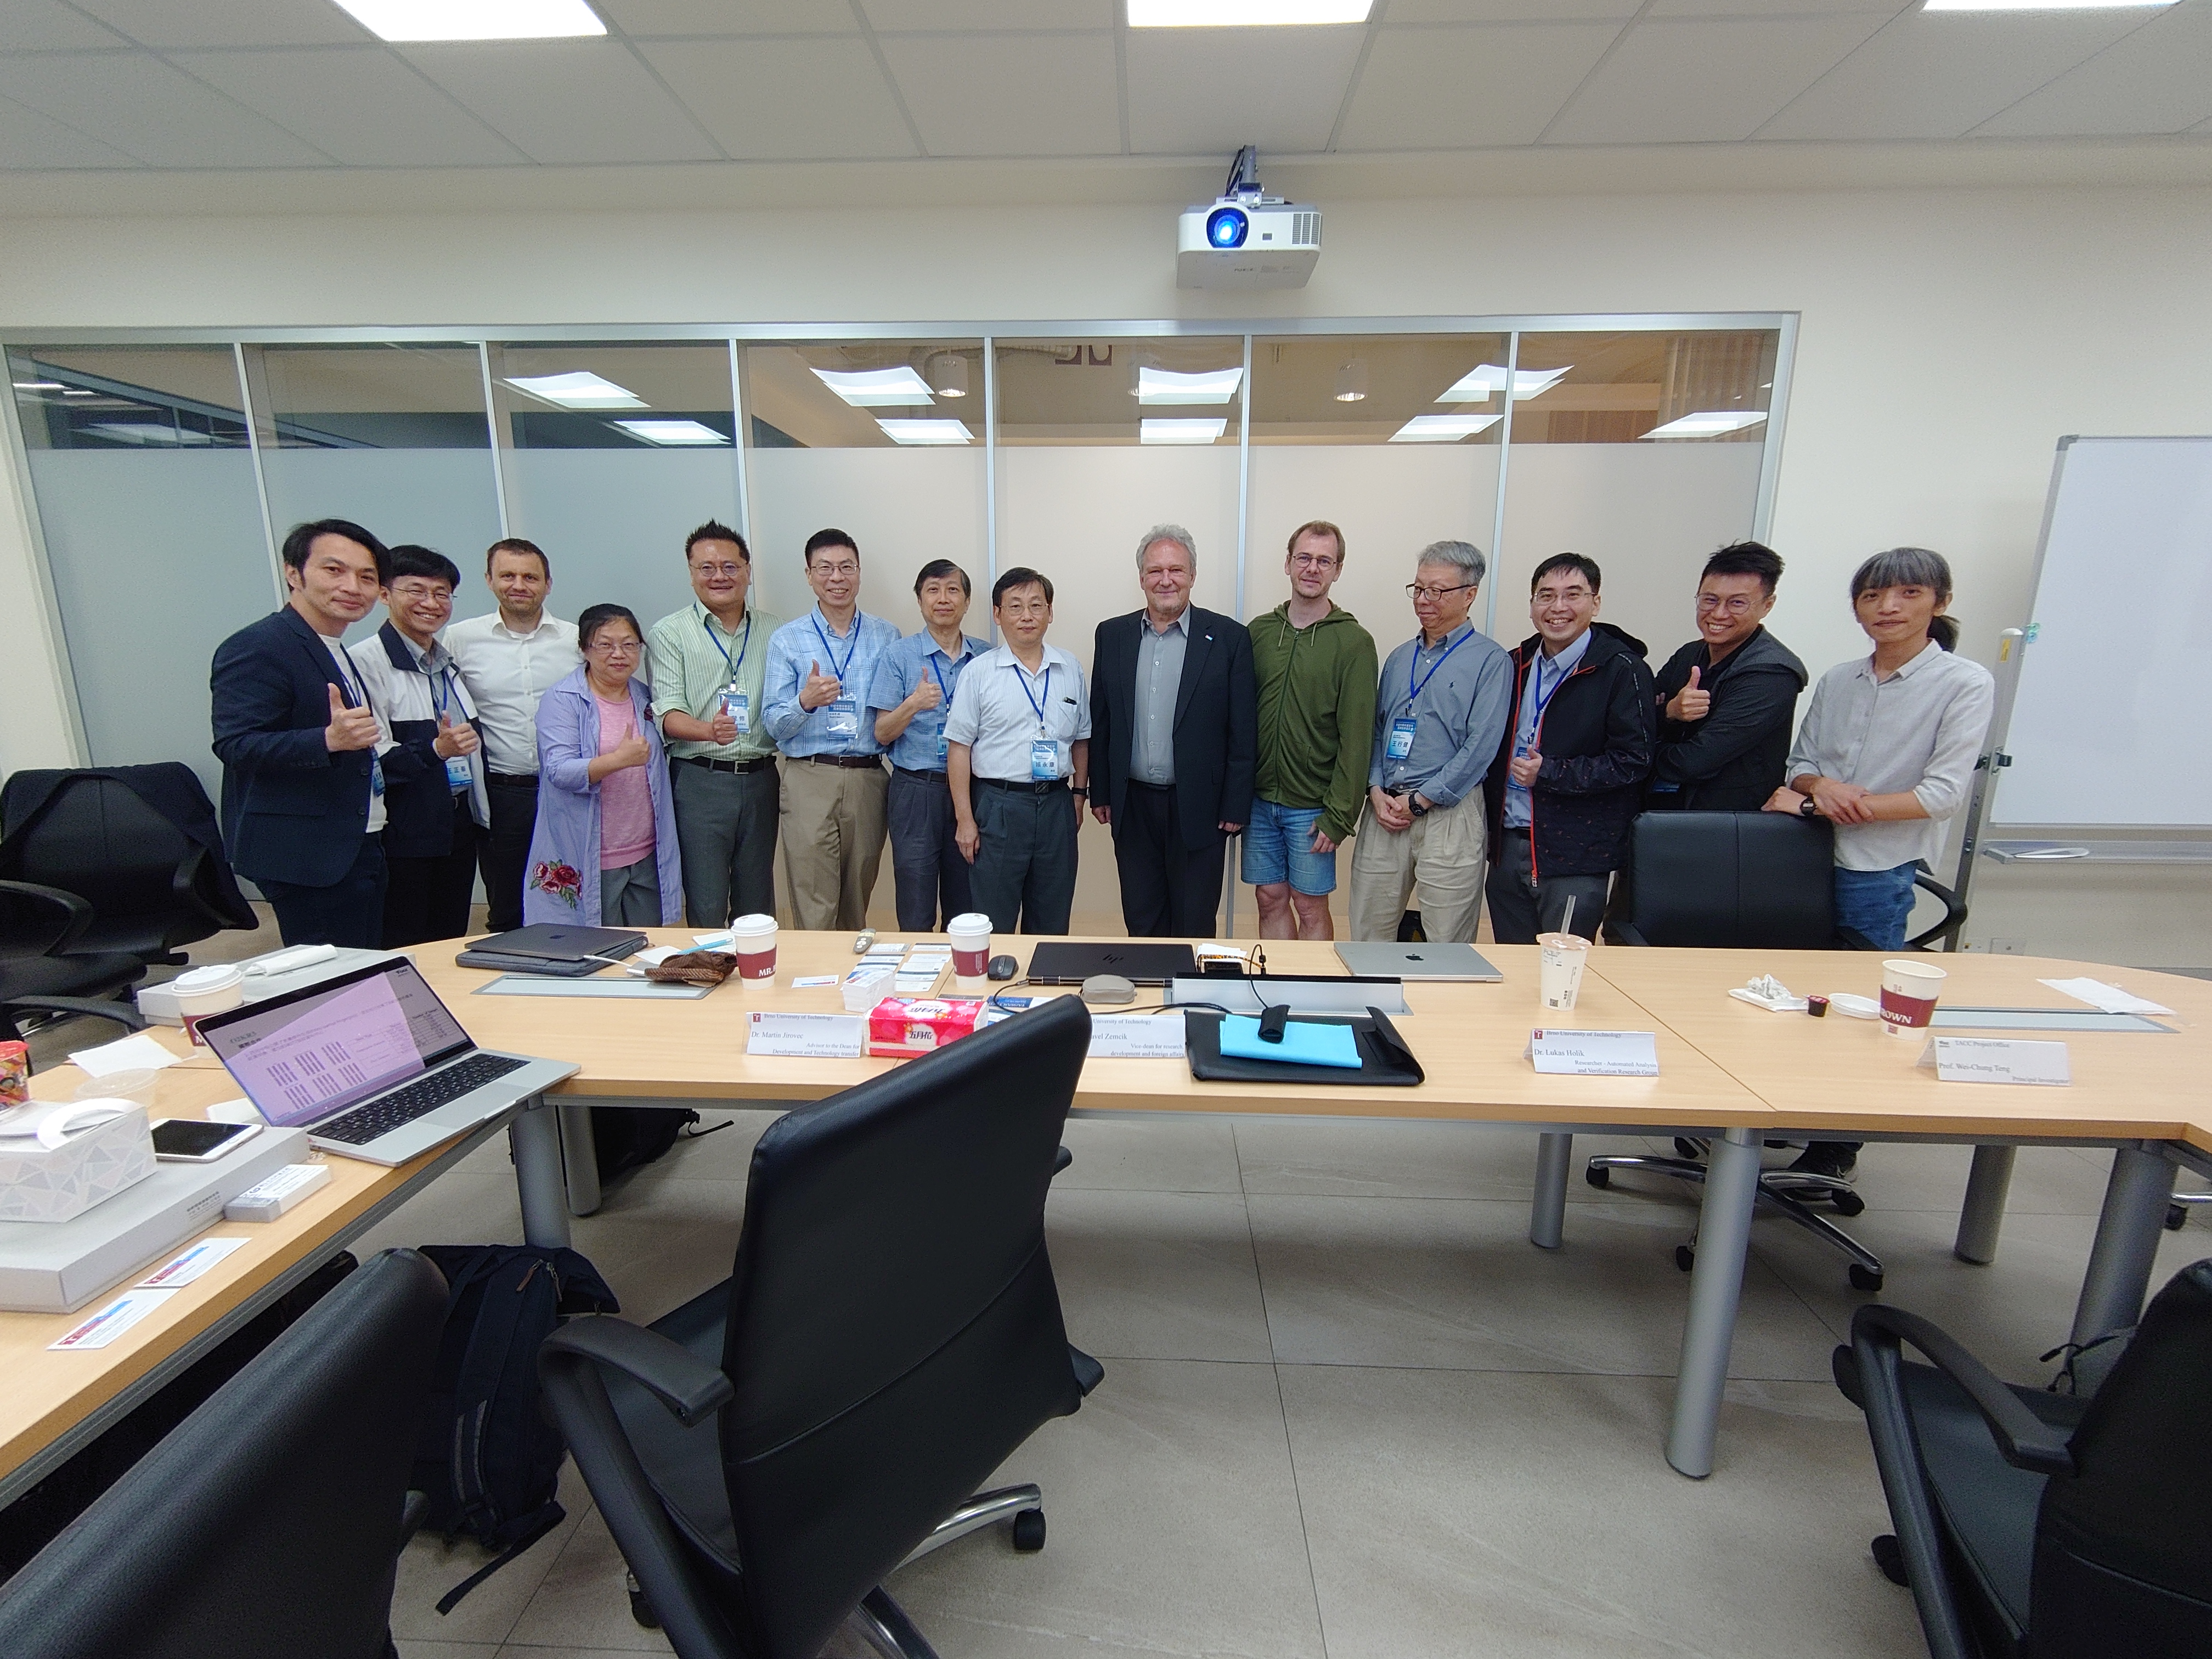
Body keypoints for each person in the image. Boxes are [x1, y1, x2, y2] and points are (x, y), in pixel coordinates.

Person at [1764, 546, 1994, 1180]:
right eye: (1872, 597)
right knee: (1802, 1001)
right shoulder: (1840, 679)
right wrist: (1819, 787)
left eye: (1908, 594)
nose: (1888, 608)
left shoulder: (1964, 683)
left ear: (1940, 603)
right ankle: (1797, 1109)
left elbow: (1940, 796)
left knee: (1868, 1010)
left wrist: (1818, 804)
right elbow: (1798, 767)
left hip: (1880, 866)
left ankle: (1840, 1143)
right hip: (1803, 863)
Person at [210, 518, 392, 949]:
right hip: (307, 853)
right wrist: (328, 740)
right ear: (294, 573)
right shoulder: (260, 645)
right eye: (334, 570)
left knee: (363, 966)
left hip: (354, 839)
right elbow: (235, 744)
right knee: (327, 985)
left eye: (367, 577)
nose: (353, 586)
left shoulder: (334, 646)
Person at [1088, 525, 1256, 938]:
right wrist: (1102, 792)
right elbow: (1103, 718)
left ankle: (1191, 1000)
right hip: (1133, 805)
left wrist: (1236, 804)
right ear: (1142, 579)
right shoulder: (1112, 635)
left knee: (1194, 921)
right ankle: (1149, 998)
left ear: (1193, 576)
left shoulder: (1229, 638)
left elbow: (1243, 728)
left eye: (1176, 570)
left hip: (1200, 806)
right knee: (1142, 918)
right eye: (1155, 571)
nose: (1166, 580)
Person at [1347, 540, 1513, 945]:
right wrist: (1373, 789)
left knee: (1448, 944)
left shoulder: (1491, 661)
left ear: (1470, 594)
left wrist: (1423, 799)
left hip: (1449, 815)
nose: (1424, 600)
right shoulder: (1400, 658)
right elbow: (1377, 730)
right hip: (1386, 810)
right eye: (1418, 589)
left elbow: (1482, 747)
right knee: (1369, 937)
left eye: (1438, 590)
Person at [1482, 553, 1654, 944]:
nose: (1558, 608)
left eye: (1573, 595)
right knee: (1513, 968)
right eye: (1546, 596)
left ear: (1595, 603)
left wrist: (1551, 773)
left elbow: (1634, 761)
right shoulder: (1513, 664)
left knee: (1561, 976)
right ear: (1531, 606)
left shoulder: (1621, 669)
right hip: (1508, 845)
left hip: (1575, 855)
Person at [761, 529, 901, 931]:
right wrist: (805, 701)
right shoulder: (787, 639)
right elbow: (773, 724)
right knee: (814, 899)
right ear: (809, 574)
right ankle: (817, 986)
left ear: (859, 573)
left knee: (858, 898)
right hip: (810, 776)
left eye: (846, 568)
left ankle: (852, 984)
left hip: (869, 777)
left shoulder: (886, 635)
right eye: (825, 568)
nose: (836, 577)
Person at [646, 522, 783, 929]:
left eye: (729, 566)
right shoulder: (669, 633)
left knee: (757, 898)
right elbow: (666, 714)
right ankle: (709, 975)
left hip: (762, 778)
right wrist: (709, 730)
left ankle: (758, 979)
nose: (719, 576)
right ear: (691, 574)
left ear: (748, 571)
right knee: (705, 898)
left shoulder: (776, 631)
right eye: (706, 568)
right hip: (699, 780)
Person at [1248, 521, 1379, 941]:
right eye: (1304, 558)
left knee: (1309, 904)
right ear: (1287, 563)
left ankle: (1309, 995)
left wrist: (1339, 815)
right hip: (1259, 800)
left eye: (1324, 561)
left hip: (1314, 806)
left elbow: (1358, 738)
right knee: (1269, 897)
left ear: (1337, 570)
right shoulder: (1259, 633)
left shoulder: (1354, 642)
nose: (1312, 568)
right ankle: (1276, 991)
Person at [352, 544, 489, 948]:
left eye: (442, 593)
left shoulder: (445, 662)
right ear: (385, 594)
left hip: (456, 821)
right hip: (405, 828)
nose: (431, 603)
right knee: (405, 937)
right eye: (416, 590)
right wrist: (436, 750)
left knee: (448, 936)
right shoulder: (366, 662)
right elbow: (372, 758)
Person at [946, 568, 1091, 935]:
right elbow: (959, 748)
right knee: (993, 919)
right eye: (1015, 606)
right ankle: (996, 992)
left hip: (1057, 804)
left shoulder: (1069, 668)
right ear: (998, 614)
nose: (1027, 616)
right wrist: (965, 819)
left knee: (1052, 920)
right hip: (1000, 806)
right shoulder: (979, 673)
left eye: (1036, 606)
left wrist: (1078, 797)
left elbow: (1081, 740)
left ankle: (1044, 991)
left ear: (1050, 612)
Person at [445, 538, 579, 933]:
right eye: (508, 575)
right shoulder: (460, 640)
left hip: (567, 790)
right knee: (507, 905)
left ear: (548, 584)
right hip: (503, 792)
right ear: (489, 580)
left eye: (530, 577)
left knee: (570, 897)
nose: (519, 585)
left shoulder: (574, 641)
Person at [524, 605, 681, 928]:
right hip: (592, 853)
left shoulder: (644, 696)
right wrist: (617, 761)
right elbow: (558, 770)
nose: (619, 654)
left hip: (646, 850)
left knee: (647, 946)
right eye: (605, 645)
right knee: (596, 951)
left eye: (629, 644)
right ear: (584, 649)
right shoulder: (564, 699)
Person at [868, 559, 989, 931]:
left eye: (953, 590)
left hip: (972, 792)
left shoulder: (986, 657)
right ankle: (915, 984)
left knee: (966, 904)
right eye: (933, 591)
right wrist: (913, 704)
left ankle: (963, 984)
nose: (943, 599)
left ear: (967, 601)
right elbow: (881, 733)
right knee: (916, 899)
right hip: (916, 790)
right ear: (920, 601)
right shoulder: (898, 656)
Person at [1647, 541, 1808, 810]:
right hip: (1665, 812)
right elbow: (1631, 718)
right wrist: (1670, 712)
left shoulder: (1772, 674)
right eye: (1710, 600)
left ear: (1767, 606)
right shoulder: (1689, 654)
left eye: (1737, 603)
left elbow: (1694, 762)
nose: (1718, 614)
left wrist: (1633, 756)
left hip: (1725, 826)